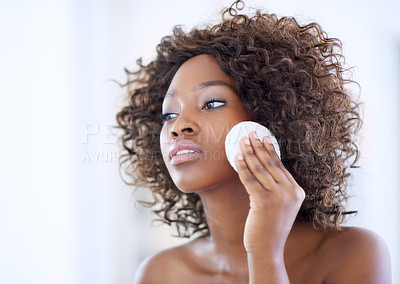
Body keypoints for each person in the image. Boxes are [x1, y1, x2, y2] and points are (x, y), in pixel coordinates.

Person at [116, 1, 391, 283]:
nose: (177, 126)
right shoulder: (159, 273)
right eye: (169, 114)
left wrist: (264, 254)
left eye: (211, 103)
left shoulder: (351, 254)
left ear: (270, 118)